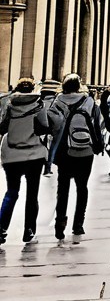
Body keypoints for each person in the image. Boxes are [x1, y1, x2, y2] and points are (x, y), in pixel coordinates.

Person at [49, 74, 104, 240]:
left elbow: (52, 125)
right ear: (79, 86)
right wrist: (98, 144)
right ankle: (78, 224)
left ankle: (60, 224)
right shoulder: (89, 101)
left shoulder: (57, 102)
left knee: (63, 189)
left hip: (64, 151)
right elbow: (98, 124)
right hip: (85, 150)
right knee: (82, 187)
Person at [0, 78, 54, 245]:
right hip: (34, 154)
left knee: (11, 192)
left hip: (11, 154)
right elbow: (45, 127)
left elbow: (2, 127)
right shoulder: (39, 104)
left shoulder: (9, 104)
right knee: (32, 194)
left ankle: (1, 228)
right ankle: (29, 231)